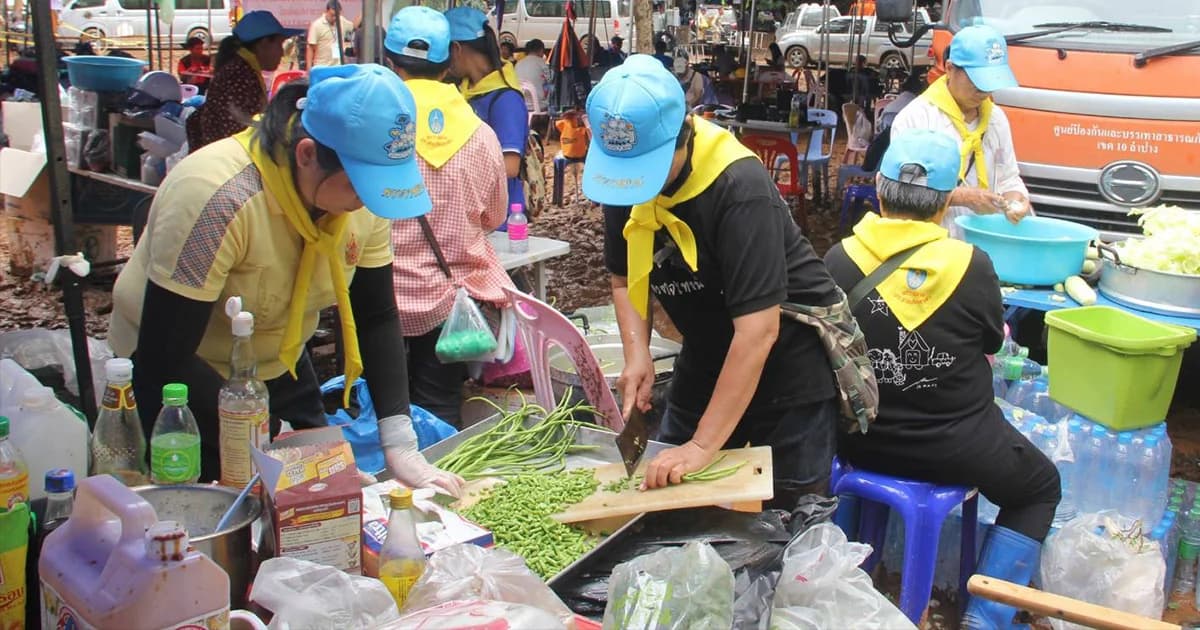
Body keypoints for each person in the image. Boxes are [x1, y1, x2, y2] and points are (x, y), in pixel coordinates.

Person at [109, 64, 465, 497]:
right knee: (223, 511)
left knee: (319, 506)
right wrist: (268, 439)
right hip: (180, 383)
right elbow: (164, 355)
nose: (364, 202)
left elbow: (376, 314)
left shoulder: (363, 203)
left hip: (278, 362)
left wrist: (397, 437)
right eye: (359, 186)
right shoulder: (216, 195)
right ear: (307, 155)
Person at [823, 128, 1060, 629]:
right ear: (945, 202)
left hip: (857, 440)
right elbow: (994, 344)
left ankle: (856, 572)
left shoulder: (838, 259)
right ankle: (985, 618)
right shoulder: (970, 264)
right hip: (958, 446)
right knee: (1039, 487)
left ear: (881, 190)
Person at [586, 56, 842, 510]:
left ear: (682, 134)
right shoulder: (626, 180)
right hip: (707, 352)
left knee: (789, 520)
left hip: (787, 366)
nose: (632, 188)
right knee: (667, 500)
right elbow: (626, 279)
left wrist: (703, 447)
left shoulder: (738, 187)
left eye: (647, 169)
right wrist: (637, 353)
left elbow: (758, 332)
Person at [383, 7, 513, 426]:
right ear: (447, 63)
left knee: (380, 409)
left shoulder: (372, 128)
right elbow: (493, 217)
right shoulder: (480, 134)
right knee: (438, 408)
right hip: (451, 302)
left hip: (378, 300)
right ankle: (438, 485)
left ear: (389, 61)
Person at [891, 24, 1031, 239]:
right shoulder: (916, 119)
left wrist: (1017, 199)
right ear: (949, 68)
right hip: (931, 245)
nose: (984, 91)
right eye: (977, 81)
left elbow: (1008, 177)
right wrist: (962, 197)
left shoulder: (996, 119)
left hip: (986, 245)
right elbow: (902, 191)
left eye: (991, 82)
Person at [446, 7, 530, 226]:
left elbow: (510, 166)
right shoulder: (465, 91)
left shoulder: (505, 99)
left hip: (497, 219)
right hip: (468, 212)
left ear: (456, 48)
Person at [186, 11, 302, 151]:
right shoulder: (240, 75)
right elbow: (240, 131)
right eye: (279, 44)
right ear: (264, 43)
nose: (282, 53)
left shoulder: (241, 69)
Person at [307, 0, 354, 68]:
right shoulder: (317, 25)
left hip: (338, 66)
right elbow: (310, 48)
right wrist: (309, 69)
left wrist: (365, 12)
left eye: (337, 16)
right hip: (322, 66)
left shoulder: (341, 20)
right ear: (326, 11)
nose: (335, 18)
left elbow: (353, 27)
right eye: (332, 15)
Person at [514, 37, 551, 107]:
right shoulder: (542, 63)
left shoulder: (518, 63)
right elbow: (551, 80)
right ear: (541, 50)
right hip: (538, 104)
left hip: (521, 102)